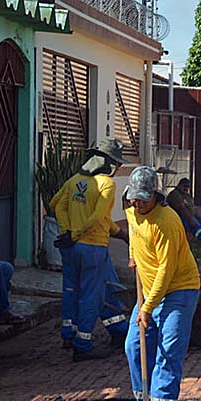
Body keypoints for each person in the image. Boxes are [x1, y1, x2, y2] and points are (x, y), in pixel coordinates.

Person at [120, 166, 200, 401]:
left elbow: (167, 270)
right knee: (134, 345)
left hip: (178, 289)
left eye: (143, 198)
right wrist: (133, 255)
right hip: (150, 290)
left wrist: (147, 307)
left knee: (168, 350)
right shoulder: (132, 211)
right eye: (134, 197)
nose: (138, 203)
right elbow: (133, 232)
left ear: (156, 195)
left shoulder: (167, 221)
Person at [51, 138, 128, 362]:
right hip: (93, 247)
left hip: (71, 247)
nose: (119, 168)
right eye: (118, 164)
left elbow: (56, 204)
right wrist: (76, 234)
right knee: (91, 295)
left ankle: (69, 334)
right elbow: (97, 217)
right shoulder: (106, 184)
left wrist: (67, 231)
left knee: (71, 290)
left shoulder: (74, 180)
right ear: (110, 163)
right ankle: (83, 344)